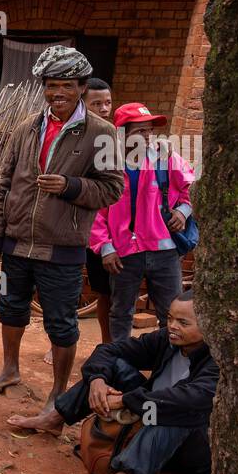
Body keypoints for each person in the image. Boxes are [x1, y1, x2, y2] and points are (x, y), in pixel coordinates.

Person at [0, 45, 124, 417]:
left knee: (61, 321)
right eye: (51, 85)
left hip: (62, 248)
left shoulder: (102, 132)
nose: (57, 93)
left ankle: (57, 394)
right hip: (15, 245)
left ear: (81, 87)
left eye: (66, 86)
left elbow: (113, 188)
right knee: (11, 307)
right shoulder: (27, 128)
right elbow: (5, 182)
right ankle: (10, 369)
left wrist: (71, 186)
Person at [8, 292, 215, 474]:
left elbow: (190, 398)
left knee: (176, 410)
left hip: (190, 449)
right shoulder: (167, 340)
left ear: (209, 326)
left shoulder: (218, 361)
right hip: (148, 417)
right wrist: (98, 380)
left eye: (183, 322)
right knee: (111, 366)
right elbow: (109, 350)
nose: (172, 326)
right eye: (169, 318)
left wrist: (123, 401)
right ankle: (55, 419)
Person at [91, 102, 192, 341]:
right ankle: (120, 363)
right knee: (121, 313)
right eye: (140, 132)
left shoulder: (166, 158)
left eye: (149, 131)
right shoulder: (107, 164)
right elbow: (95, 212)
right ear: (121, 134)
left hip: (164, 250)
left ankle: (168, 367)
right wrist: (105, 248)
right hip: (123, 253)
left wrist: (183, 211)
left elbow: (192, 188)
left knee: (171, 313)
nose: (147, 137)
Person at [82, 77, 115, 344]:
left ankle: (107, 345)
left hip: (106, 232)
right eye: (97, 103)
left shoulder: (114, 138)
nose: (104, 108)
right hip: (74, 227)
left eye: (107, 102)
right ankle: (58, 344)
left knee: (107, 293)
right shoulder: (75, 138)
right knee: (66, 289)